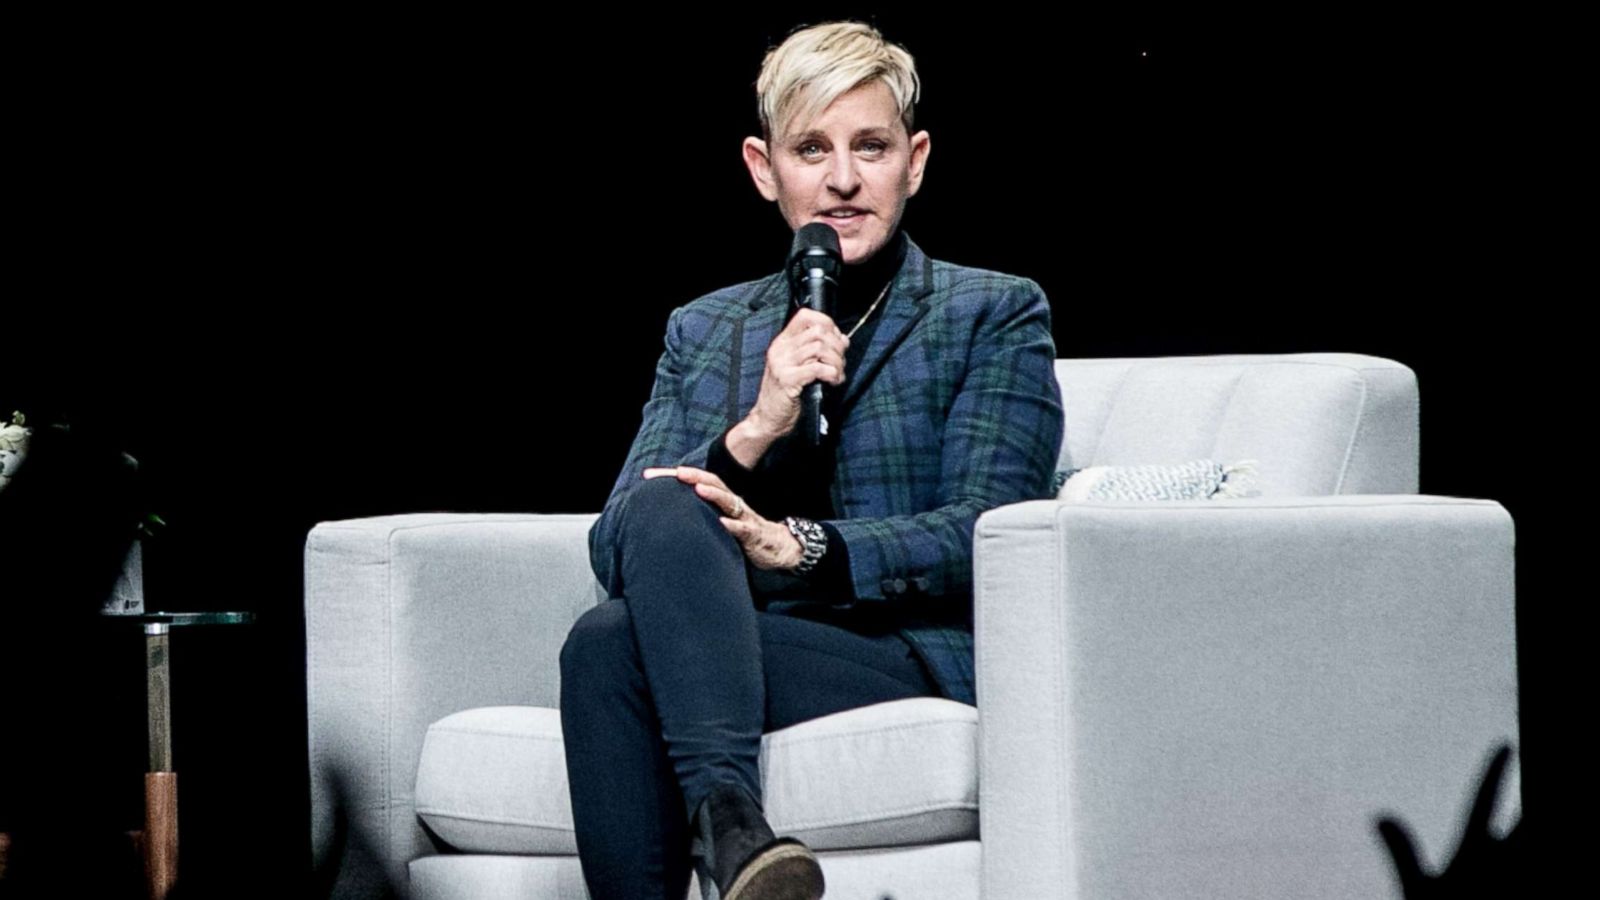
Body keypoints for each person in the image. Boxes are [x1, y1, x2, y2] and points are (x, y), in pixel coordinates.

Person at [560, 21, 1064, 900]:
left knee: (608, 647)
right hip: (721, 634)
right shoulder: (705, 328)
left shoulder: (992, 312)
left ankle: (725, 821)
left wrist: (805, 548)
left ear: (916, 160)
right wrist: (755, 427)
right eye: (810, 149)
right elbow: (618, 544)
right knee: (627, 585)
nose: (841, 179)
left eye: (870, 147)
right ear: (764, 169)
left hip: (900, 650)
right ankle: (733, 824)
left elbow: (989, 534)